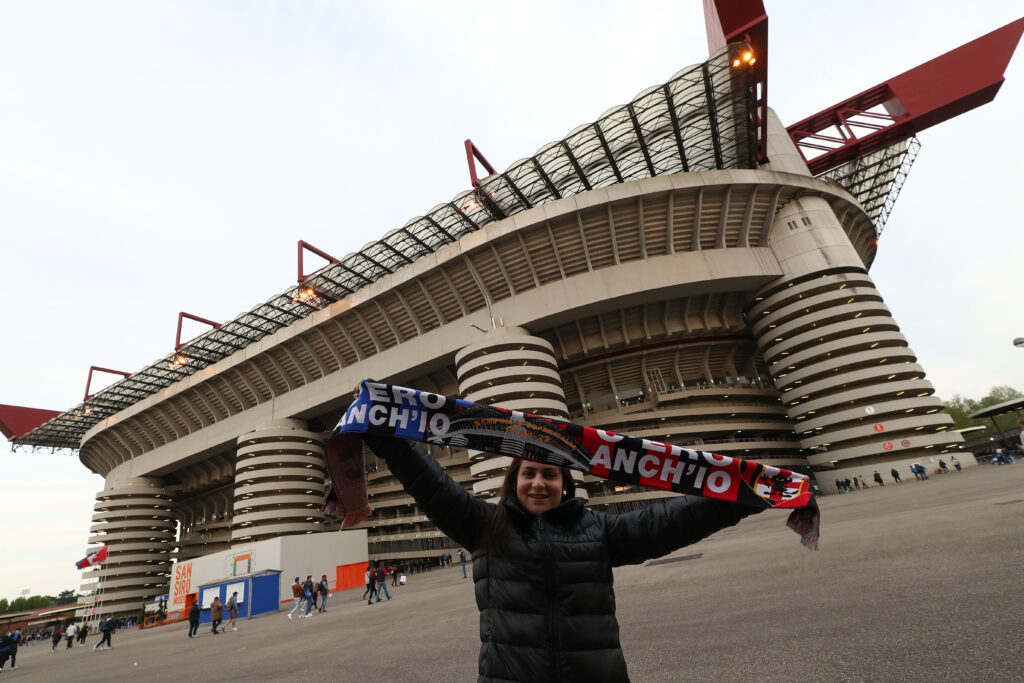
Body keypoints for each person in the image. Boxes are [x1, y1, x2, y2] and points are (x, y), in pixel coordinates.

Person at [362, 435, 763, 681]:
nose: (538, 483)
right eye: (529, 473)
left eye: (550, 475)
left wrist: (751, 494)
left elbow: (670, 522)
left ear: (565, 486)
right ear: (514, 482)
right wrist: (380, 431)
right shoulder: (484, 526)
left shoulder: (598, 529)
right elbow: (427, 479)